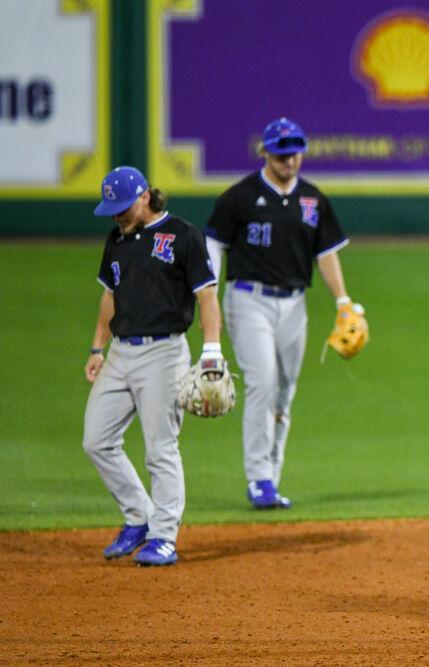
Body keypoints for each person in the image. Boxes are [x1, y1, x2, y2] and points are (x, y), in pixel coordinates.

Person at [204, 117, 358, 509]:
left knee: (284, 392)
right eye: (281, 152)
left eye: (294, 151)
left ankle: (271, 476)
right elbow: (214, 245)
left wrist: (342, 301)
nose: (289, 160)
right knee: (264, 383)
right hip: (247, 299)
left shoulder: (313, 199)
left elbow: (326, 255)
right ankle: (258, 479)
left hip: (294, 304)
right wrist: (207, 295)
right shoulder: (239, 197)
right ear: (265, 153)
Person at [84, 166, 223, 566]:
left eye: (122, 207)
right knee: (96, 440)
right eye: (111, 210)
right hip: (119, 354)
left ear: (145, 196)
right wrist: (97, 348)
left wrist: (211, 350)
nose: (117, 216)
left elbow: (207, 296)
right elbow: (109, 296)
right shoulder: (116, 239)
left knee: (160, 448)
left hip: (163, 354)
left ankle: (164, 536)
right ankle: (138, 517)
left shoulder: (184, 236)